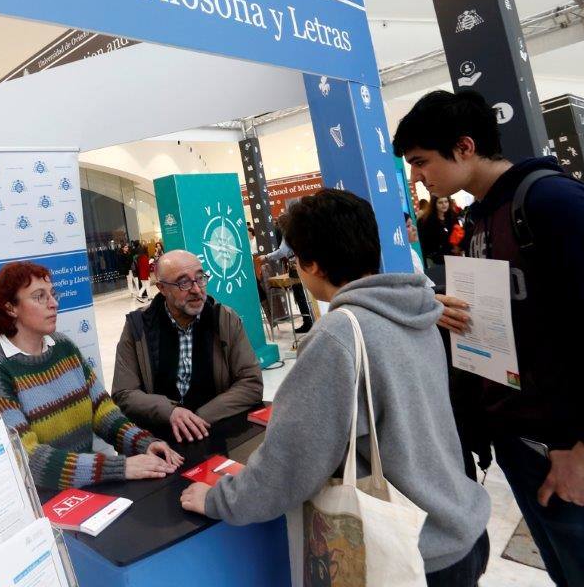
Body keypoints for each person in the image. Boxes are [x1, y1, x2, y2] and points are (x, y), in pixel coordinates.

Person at [393, 89, 584, 586]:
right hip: (524, 443)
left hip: (576, 446)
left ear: (465, 146)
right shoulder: (481, 219)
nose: (417, 179)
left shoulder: (556, 204)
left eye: (421, 162)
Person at [180, 190, 491, 584]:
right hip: (460, 527)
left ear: (311, 264)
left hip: (410, 553)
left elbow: (288, 464)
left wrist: (218, 498)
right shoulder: (417, 310)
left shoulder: (340, 335)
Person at [0, 260, 182, 490]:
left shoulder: (63, 346)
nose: (53, 303)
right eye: (39, 297)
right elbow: (27, 458)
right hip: (44, 501)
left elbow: (101, 410)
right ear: (10, 307)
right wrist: (119, 467)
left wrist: (141, 443)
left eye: (52, 294)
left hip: (88, 487)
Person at [112, 250, 264, 442]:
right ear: (162, 288)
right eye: (183, 282)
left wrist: (198, 417)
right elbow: (124, 392)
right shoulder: (139, 326)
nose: (196, 289)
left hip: (214, 429)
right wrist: (171, 412)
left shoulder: (224, 320)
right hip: (159, 437)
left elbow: (251, 382)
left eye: (200, 278)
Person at [263, 213, 313, 333]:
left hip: (294, 266)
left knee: (299, 295)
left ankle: (307, 322)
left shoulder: (288, 234)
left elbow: (282, 252)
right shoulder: (298, 232)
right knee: (302, 295)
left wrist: (267, 256)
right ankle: (309, 320)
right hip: (302, 263)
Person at [418, 195, 457, 266]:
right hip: (435, 259)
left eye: (446, 201)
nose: (444, 204)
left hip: (452, 257)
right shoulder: (426, 221)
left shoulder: (453, 217)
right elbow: (424, 242)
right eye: (440, 202)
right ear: (434, 204)